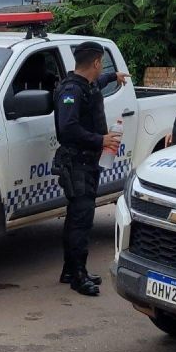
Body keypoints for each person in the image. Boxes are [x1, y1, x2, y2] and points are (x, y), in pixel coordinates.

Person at [52, 41, 130, 296]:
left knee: (79, 217)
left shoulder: (87, 84)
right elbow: (68, 128)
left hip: (88, 163)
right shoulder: (71, 91)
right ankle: (77, 275)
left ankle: (70, 269)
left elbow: (99, 82)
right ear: (96, 62)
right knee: (80, 220)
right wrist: (101, 140)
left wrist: (113, 76)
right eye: (102, 65)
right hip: (77, 163)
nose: (102, 70)